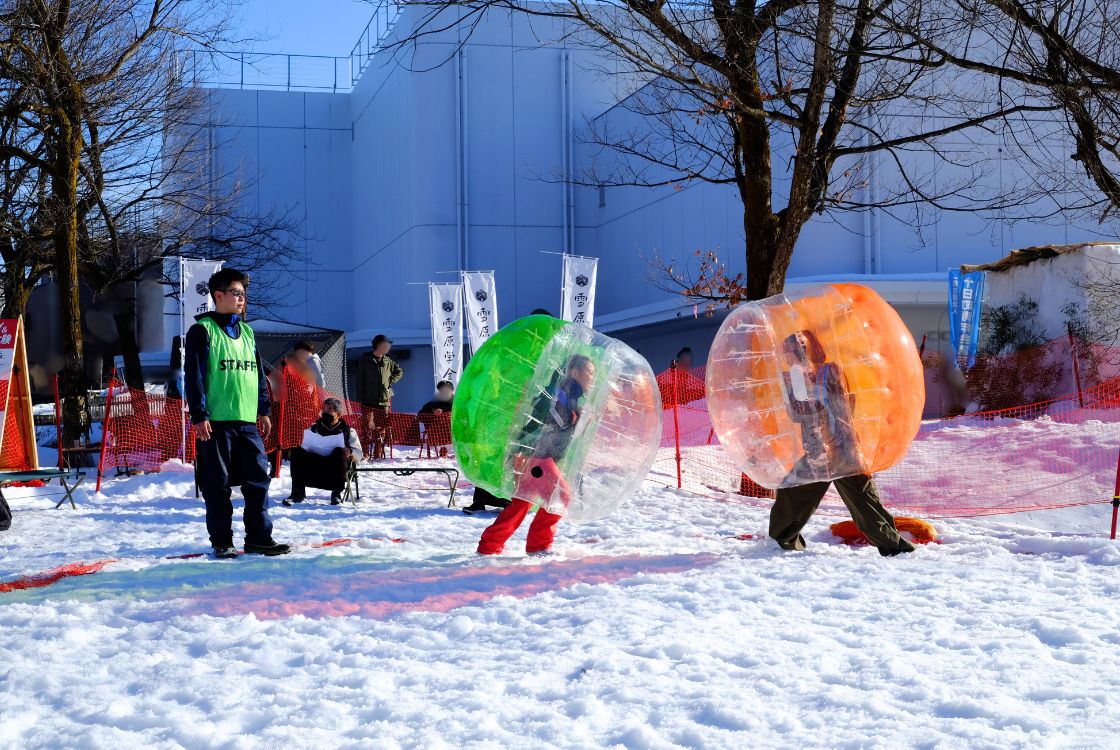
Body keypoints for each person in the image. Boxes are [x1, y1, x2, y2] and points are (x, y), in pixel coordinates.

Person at [768, 329, 915, 557]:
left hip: (841, 449)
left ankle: (897, 548)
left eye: (789, 352)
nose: (786, 358)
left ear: (802, 351)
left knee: (863, 502)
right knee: (791, 490)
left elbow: (825, 406)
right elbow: (797, 414)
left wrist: (800, 384)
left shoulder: (829, 371)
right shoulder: (797, 376)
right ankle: (781, 542)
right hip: (817, 451)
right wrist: (792, 386)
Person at [185, 268, 289, 558]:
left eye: (244, 293)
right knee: (217, 485)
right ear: (218, 295)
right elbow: (193, 377)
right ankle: (222, 541)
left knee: (258, 481)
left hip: (246, 421)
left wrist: (264, 410)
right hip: (215, 422)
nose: (242, 298)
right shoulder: (202, 330)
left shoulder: (247, 331)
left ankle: (259, 538)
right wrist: (199, 415)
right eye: (236, 293)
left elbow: (257, 376)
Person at [477, 354, 595, 555]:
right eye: (590, 372)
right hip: (536, 456)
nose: (592, 378)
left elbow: (565, 430)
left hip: (534, 456)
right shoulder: (558, 393)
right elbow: (547, 420)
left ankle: (489, 546)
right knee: (562, 496)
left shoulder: (571, 397)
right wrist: (577, 419)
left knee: (521, 504)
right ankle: (539, 545)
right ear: (575, 372)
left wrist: (582, 421)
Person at [284, 398, 362, 506]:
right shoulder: (314, 428)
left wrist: (350, 451)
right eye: (324, 409)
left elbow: (359, 453)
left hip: (335, 466)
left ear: (338, 413)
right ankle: (297, 493)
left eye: (329, 409)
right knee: (297, 451)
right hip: (315, 463)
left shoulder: (349, 431)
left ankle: (336, 494)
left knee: (339, 452)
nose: (325, 411)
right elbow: (305, 446)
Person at [355, 334, 404, 459]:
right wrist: (359, 399)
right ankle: (365, 453)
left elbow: (399, 371)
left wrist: (390, 381)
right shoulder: (365, 360)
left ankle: (378, 453)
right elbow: (359, 380)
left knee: (382, 428)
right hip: (367, 399)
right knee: (367, 427)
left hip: (383, 400)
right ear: (377, 345)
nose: (387, 348)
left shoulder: (388, 361)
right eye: (384, 345)